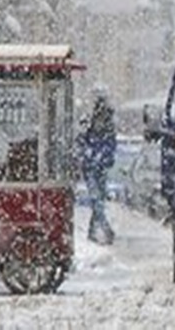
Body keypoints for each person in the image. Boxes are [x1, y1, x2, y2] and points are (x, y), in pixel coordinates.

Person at [79, 93, 117, 245]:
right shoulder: (102, 125)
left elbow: (85, 143)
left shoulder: (99, 125)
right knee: (97, 200)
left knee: (97, 200)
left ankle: (94, 231)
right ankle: (105, 229)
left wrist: (92, 155)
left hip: (94, 166)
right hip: (96, 166)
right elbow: (109, 146)